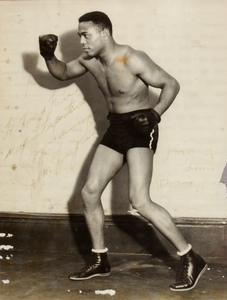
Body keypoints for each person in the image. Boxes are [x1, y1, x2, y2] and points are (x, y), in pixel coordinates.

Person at [39, 11, 207, 291]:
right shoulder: (88, 61)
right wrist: (47, 55)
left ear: (104, 33)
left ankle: (190, 257)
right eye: (79, 35)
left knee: (139, 200)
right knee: (90, 192)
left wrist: (155, 114)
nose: (81, 41)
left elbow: (171, 84)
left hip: (141, 126)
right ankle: (100, 260)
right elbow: (63, 72)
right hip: (116, 127)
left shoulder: (132, 58)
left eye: (86, 35)